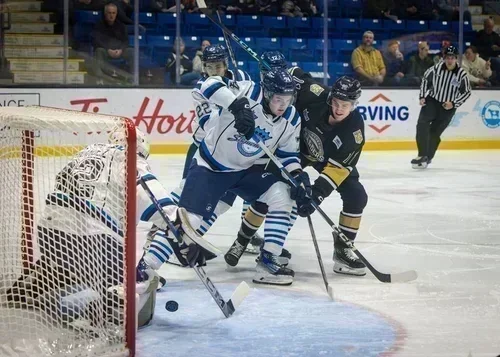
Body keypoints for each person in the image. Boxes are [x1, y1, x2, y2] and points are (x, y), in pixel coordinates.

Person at [142, 69, 308, 285]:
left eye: (288, 99)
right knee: (189, 220)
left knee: (283, 196)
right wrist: (237, 106)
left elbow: (287, 155)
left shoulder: (292, 118)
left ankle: (267, 262)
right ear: (267, 93)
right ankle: (145, 268)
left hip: (247, 171)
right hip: (211, 168)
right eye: (278, 99)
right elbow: (207, 84)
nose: (283, 105)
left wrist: (298, 176)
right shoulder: (246, 91)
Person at [5, 128, 173, 329]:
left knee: (70, 260)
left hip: (50, 234)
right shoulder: (132, 159)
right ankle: (109, 312)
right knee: (136, 282)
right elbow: (159, 204)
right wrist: (178, 227)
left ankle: (38, 280)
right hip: (95, 239)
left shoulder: (87, 151)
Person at [226, 70, 369, 277]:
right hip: (292, 151)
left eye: (345, 105)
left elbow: (339, 168)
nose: (339, 109)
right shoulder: (315, 94)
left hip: (327, 159)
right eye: (336, 102)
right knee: (271, 191)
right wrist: (277, 69)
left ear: (354, 105)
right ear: (331, 97)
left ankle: (343, 250)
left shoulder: (354, 131)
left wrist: (317, 194)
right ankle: (242, 240)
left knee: (356, 195)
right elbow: (293, 73)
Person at [412, 45, 472, 169]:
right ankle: (422, 155)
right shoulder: (436, 68)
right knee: (422, 125)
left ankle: (428, 157)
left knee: (434, 133)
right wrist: (422, 96)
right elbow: (425, 80)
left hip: (448, 107)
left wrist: (454, 103)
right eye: (447, 58)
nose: (450, 60)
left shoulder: (461, 74)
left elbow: (467, 92)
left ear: (456, 59)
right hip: (432, 101)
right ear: (444, 58)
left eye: (452, 58)